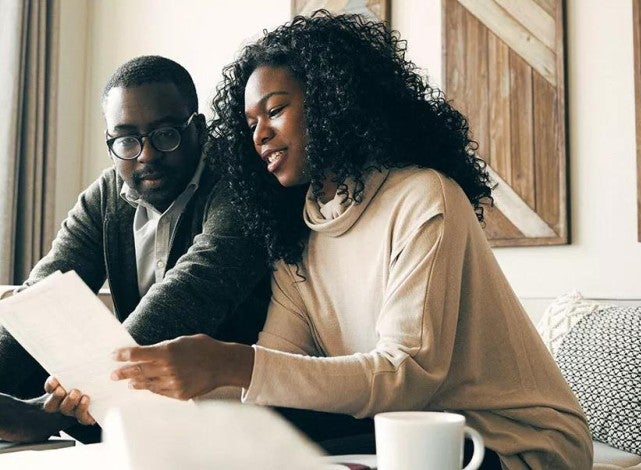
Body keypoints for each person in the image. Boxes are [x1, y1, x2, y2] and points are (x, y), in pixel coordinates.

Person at [73, 13, 591, 468]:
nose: (259, 136)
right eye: (251, 123)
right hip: (401, 430)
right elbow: (277, 371)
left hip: (508, 442)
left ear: (330, 100)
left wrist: (227, 362)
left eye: (275, 111)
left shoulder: (424, 198)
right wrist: (175, 389)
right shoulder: (300, 231)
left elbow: (405, 376)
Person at [0, 56, 270, 444]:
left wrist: (47, 413)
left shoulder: (240, 182)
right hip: (131, 413)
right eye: (126, 139)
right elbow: (41, 298)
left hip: (233, 418)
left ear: (198, 129)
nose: (146, 155)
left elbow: (191, 292)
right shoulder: (105, 197)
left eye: (164, 134)